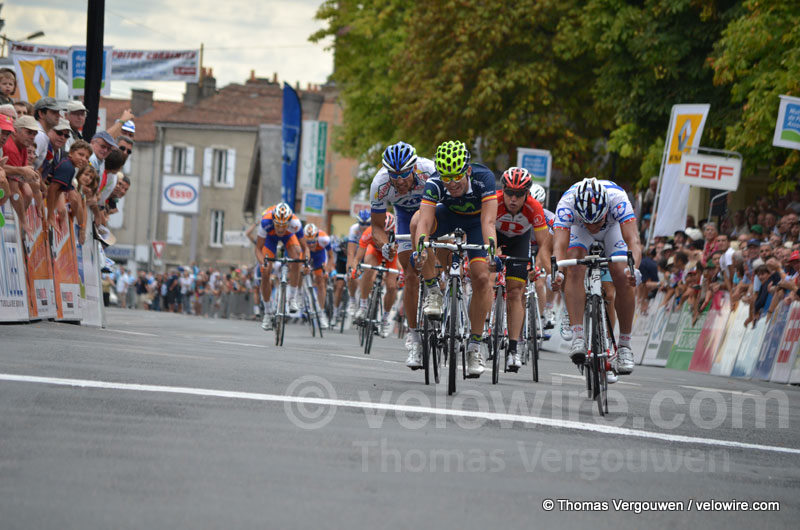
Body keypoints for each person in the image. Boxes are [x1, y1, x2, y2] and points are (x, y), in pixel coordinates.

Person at [411, 140, 497, 377]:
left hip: (477, 222)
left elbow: (489, 222)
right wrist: (420, 249)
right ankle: (433, 291)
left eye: (456, 177)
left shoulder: (484, 178)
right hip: (448, 216)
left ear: (467, 170)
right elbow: (426, 222)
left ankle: (474, 347)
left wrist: (491, 253)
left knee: (481, 279)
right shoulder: (435, 182)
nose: (451, 184)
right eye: (446, 178)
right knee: (417, 222)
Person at [550, 178, 642, 376]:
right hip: (577, 230)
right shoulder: (567, 204)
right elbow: (559, 247)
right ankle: (578, 336)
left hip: (612, 228)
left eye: (596, 221)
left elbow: (633, 240)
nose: (592, 226)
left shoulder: (618, 199)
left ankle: (624, 346)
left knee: (622, 273)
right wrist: (557, 272)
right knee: (574, 265)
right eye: (588, 221)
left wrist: (634, 270)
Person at [368, 141, 436, 367]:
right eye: (394, 175)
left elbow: (450, 205)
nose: (399, 181)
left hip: (432, 213)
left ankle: (444, 295)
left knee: (440, 264)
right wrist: (384, 244)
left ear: (414, 167)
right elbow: (377, 226)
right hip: (405, 217)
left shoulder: (429, 171)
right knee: (409, 274)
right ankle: (415, 337)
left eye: (404, 174)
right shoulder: (380, 184)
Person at [495, 167, 552, 371]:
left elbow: (544, 245)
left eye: (519, 194)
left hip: (520, 241)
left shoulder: (534, 207)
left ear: (526, 194)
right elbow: (483, 227)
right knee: (483, 276)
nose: (513, 198)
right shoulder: (495, 201)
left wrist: (543, 268)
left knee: (515, 292)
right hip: (495, 236)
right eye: (509, 192)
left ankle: (513, 350)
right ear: (503, 190)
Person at [255, 202, 308, 330]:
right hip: (269, 239)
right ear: (273, 221)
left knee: (296, 258)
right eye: (278, 225)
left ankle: (292, 298)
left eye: (283, 225)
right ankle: (267, 313)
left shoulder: (295, 224)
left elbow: (305, 249)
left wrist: (305, 262)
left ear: (288, 223)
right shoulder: (265, 222)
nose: (280, 229)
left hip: (289, 237)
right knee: (265, 271)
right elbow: (258, 249)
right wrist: (264, 262)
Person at [354, 212, 400, 338]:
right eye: (382, 232)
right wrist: (355, 269)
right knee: (368, 270)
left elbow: (401, 257)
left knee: (391, 287)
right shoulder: (369, 232)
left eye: (387, 233)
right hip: (374, 252)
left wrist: (401, 273)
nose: (384, 236)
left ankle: (385, 319)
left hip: (392, 256)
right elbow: (358, 257)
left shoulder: (398, 233)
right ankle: (363, 306)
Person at [303, 223, 334, 329]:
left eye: (313, 241)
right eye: (308, 241)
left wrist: (327, 271)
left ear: (317, 237)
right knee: (299, 271)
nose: (311, 244)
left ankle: (321, 313)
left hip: (319, 256)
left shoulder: (324, 238)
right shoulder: (301, 239)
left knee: (320, 281)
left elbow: (330, 257)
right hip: (305, 254)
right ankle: (299, 296)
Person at [342, 209, 372, 316]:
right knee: (351, 275)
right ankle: (352, 299)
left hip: (370, 254)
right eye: (362, 224)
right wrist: (350, 269)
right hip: (358, 254)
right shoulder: (354, 229)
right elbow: (351, 253)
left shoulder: (374, 230)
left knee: (372, 277)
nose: (364, 227)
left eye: (368, 224)